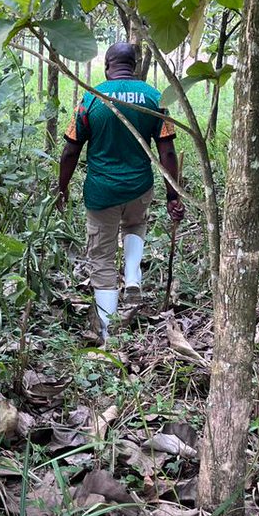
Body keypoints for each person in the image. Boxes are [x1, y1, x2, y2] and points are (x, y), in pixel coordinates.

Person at [57, 41, 184, 341]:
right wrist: (173, 194)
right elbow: (167, 152)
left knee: (101, 258)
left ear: (107, 66)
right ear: (135, 66)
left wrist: (62, 188)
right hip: (139, 187)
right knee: (135, 224)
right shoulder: (155, 98)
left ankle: (106, 331)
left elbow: (70, 151)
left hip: (101, 193)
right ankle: (132, 274)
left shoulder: (91, 98)